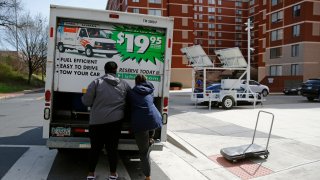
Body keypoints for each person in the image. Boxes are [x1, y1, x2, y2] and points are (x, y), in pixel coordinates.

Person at [82, 61, 131, 180]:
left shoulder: (96, 82)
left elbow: (86, 102)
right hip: (115, 121)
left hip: (96, 122)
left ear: (105, 70)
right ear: (116, 70)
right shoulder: (124, 84)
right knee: (112, 148)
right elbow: (130, 100)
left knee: (95, 148)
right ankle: (113, 174)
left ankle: (91, 174)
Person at [127, 74, 163, 180]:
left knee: (143, 152)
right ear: (145, 81)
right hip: (154, 118)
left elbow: (128, 106)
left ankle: (147, 176)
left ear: (135, 82)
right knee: (150, 129)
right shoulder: (150, 91)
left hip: (141, 122)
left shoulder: (131, 93)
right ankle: (150, 138)